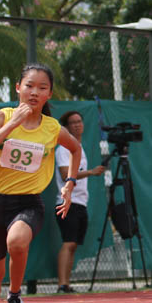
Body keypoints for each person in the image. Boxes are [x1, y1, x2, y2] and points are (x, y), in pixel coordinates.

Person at [0, 63, 81, 303]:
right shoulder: (2, 116)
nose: (35, 92)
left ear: (49, 93)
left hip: (28, 204)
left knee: (18, 243)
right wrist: (11, 125)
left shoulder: (52, 129)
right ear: (17, 88)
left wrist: (70, 183)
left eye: (42, 87)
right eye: (30, 85)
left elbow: (75, 149)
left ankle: (16, 294)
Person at [54, 110, 106, 293]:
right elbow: (64, 173)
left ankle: (66, 284)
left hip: (80, 202)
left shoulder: (79, 148)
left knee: (73, 244)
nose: (77, 125)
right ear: (66, 127)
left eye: (79, 121)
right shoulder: (64, 149)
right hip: (67, 202)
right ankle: (62, 283)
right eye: (72, 122)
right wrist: (91, 172)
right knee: (68, 242)